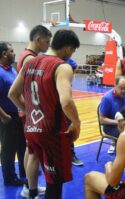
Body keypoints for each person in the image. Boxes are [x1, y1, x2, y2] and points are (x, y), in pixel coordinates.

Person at [9, 29, 81, 199]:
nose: (70, 55)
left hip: (31, 128)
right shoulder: (62, 66)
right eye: (72, 51)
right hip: (51, 133)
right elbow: (67, 102)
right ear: (67, 48)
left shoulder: (30, 63)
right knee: (54, 184)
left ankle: (31, 191)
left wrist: (30, 111)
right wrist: (77, 123)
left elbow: (13, 93)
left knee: (36, 163)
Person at [17, 24, 52, 198]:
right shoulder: (30, 60)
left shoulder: (27, 56)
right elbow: (20, 92)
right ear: (38, 40)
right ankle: (31, 192)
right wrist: (29, 111)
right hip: (33, 114)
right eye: (47, 41)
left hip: (30, 113)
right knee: (35, 154)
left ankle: (28, 185)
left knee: (29, 150)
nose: (48, 44)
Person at [0, 42, 26, 186]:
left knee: (22, 145)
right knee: (8, 149)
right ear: (4, 54)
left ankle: (24, 171)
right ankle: (10, 178)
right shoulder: (0, 72)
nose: (15, 53)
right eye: (11, 51)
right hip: (6, 116)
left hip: (16, 115)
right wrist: (4, 116)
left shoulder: (11, 69)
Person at [98, 76, 125, 154]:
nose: (123, 91)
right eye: (121, 88)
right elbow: (101, 119)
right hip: (111, 126)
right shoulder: (107, 98)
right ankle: (124, 160)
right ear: (114, 86)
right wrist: (118, 122)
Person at [66, 58, 84, 166]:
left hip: (64, 101)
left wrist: (69, 77)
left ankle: (71, 155)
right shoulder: (48, 59)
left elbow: (75, 65)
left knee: (69, 127)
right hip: (51, 101)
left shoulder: (67, 59)